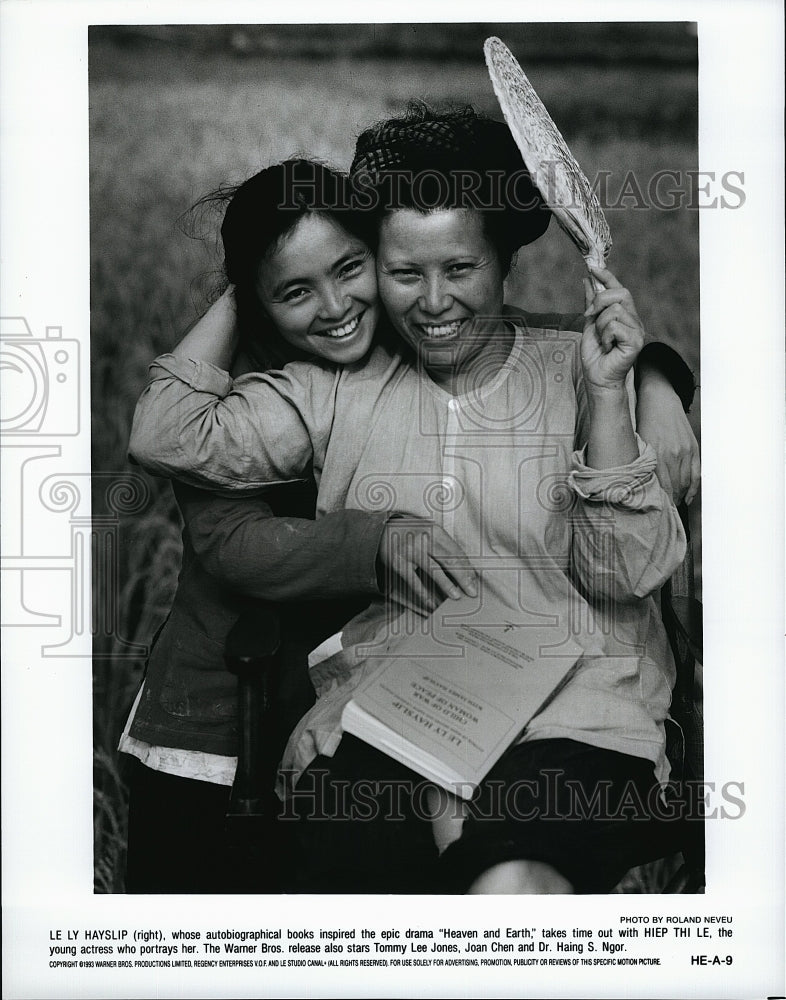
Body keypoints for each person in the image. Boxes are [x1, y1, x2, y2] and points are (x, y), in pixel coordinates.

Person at [128, 109, 699, 893]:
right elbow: (167, 433)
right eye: (404, 273)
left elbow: (623, 574)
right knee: (351, 888)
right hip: (398, 713)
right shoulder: (337, 389)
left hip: (577, 715)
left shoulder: (575, 370)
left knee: (515, 881)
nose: (433, 303)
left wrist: (615, 393)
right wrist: (249, 271)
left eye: (459, 269)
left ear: (505, 266)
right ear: (374, 264)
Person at [121, 159, 479, 893]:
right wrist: (374, 537)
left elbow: (537, 339)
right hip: (221, 725)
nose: (335, 305)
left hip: (359, 710)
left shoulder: (411, 343)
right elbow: (232, 545)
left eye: (350, 268)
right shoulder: (244, 389)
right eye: (294, 291)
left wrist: (658, 376)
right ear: (253, 304)